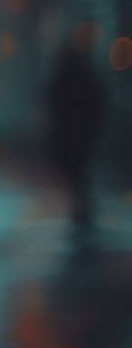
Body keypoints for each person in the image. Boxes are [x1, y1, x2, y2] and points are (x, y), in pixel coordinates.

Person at [45, 22, 105, 230]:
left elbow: (55, 100)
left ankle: (82, 208)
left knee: (77, 171)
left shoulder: (71, 71)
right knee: (79, 171)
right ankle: (82, 208)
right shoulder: (82, 70)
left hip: (73, 130)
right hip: (79, 131)